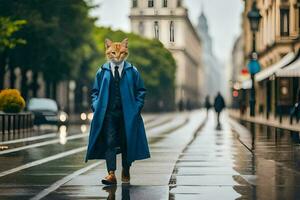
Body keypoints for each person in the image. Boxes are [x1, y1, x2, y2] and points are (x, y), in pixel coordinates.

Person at [85, 38, 150, 185]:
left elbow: (141, 91)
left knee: (127, 142)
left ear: (126, 52)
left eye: (121, 53)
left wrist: (136, 108)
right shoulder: (102, 70)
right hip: (107, 114)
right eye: (113, 53)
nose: (117, 56)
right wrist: (96, 106)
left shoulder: (132, 70)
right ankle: (111, 173)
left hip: (128, 114)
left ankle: (126, 169)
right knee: (110, 142)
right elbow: (94, 92)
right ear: (107, 51)